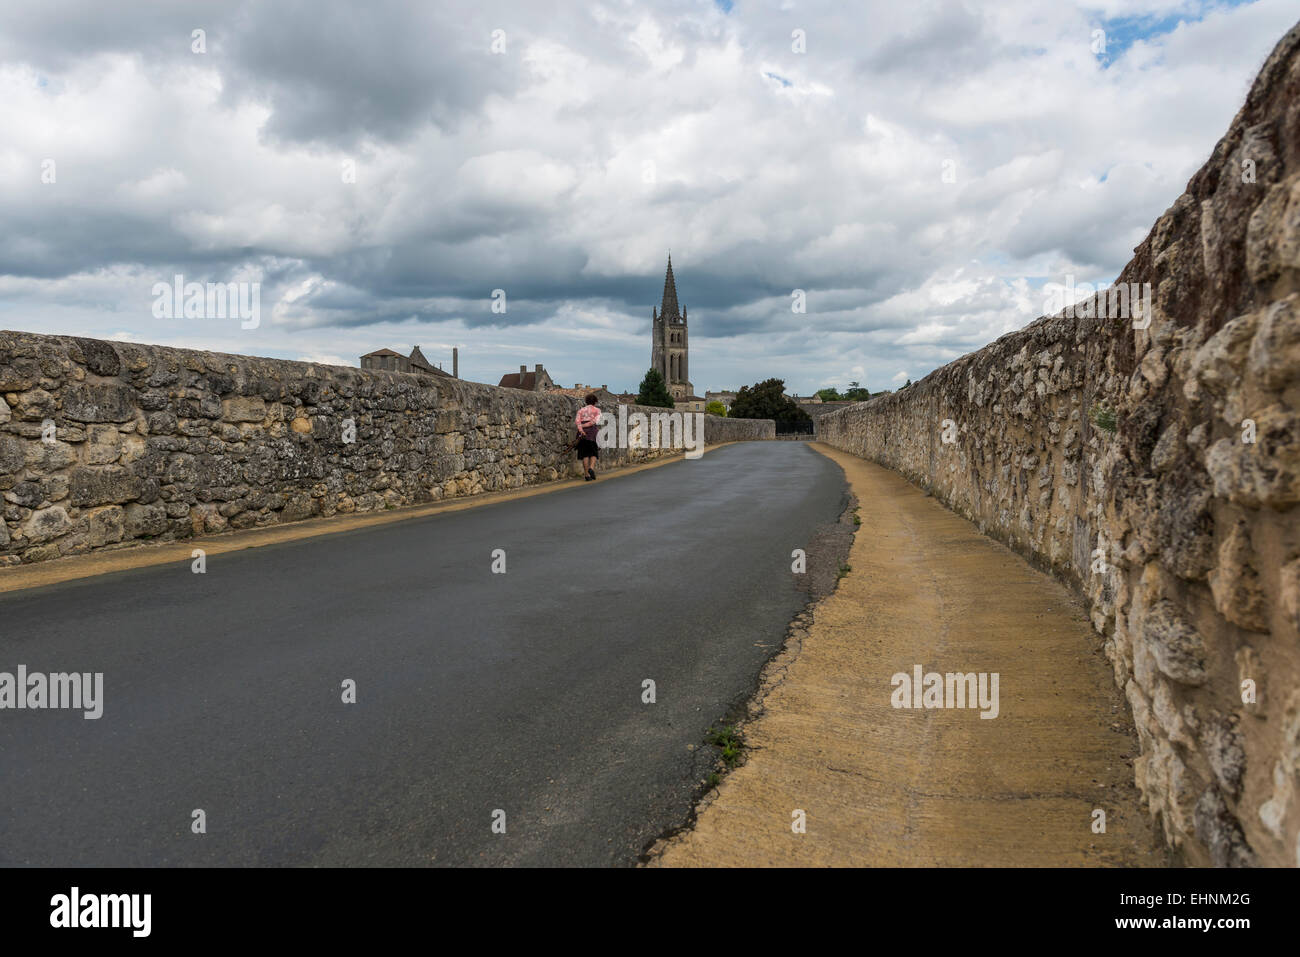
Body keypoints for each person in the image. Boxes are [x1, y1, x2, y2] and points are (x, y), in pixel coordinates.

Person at [574, 394, 602, 481]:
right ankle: (591, 468)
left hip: (582, 434)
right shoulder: (597, 410)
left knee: (585, 454)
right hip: (592, 433)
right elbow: (594, 421)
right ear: (595, 402)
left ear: (586, 401)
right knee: (594, 452)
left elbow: (577, 421)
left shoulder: (581, 410)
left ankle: (586, 475)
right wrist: (586, 425)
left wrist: (581, 429)